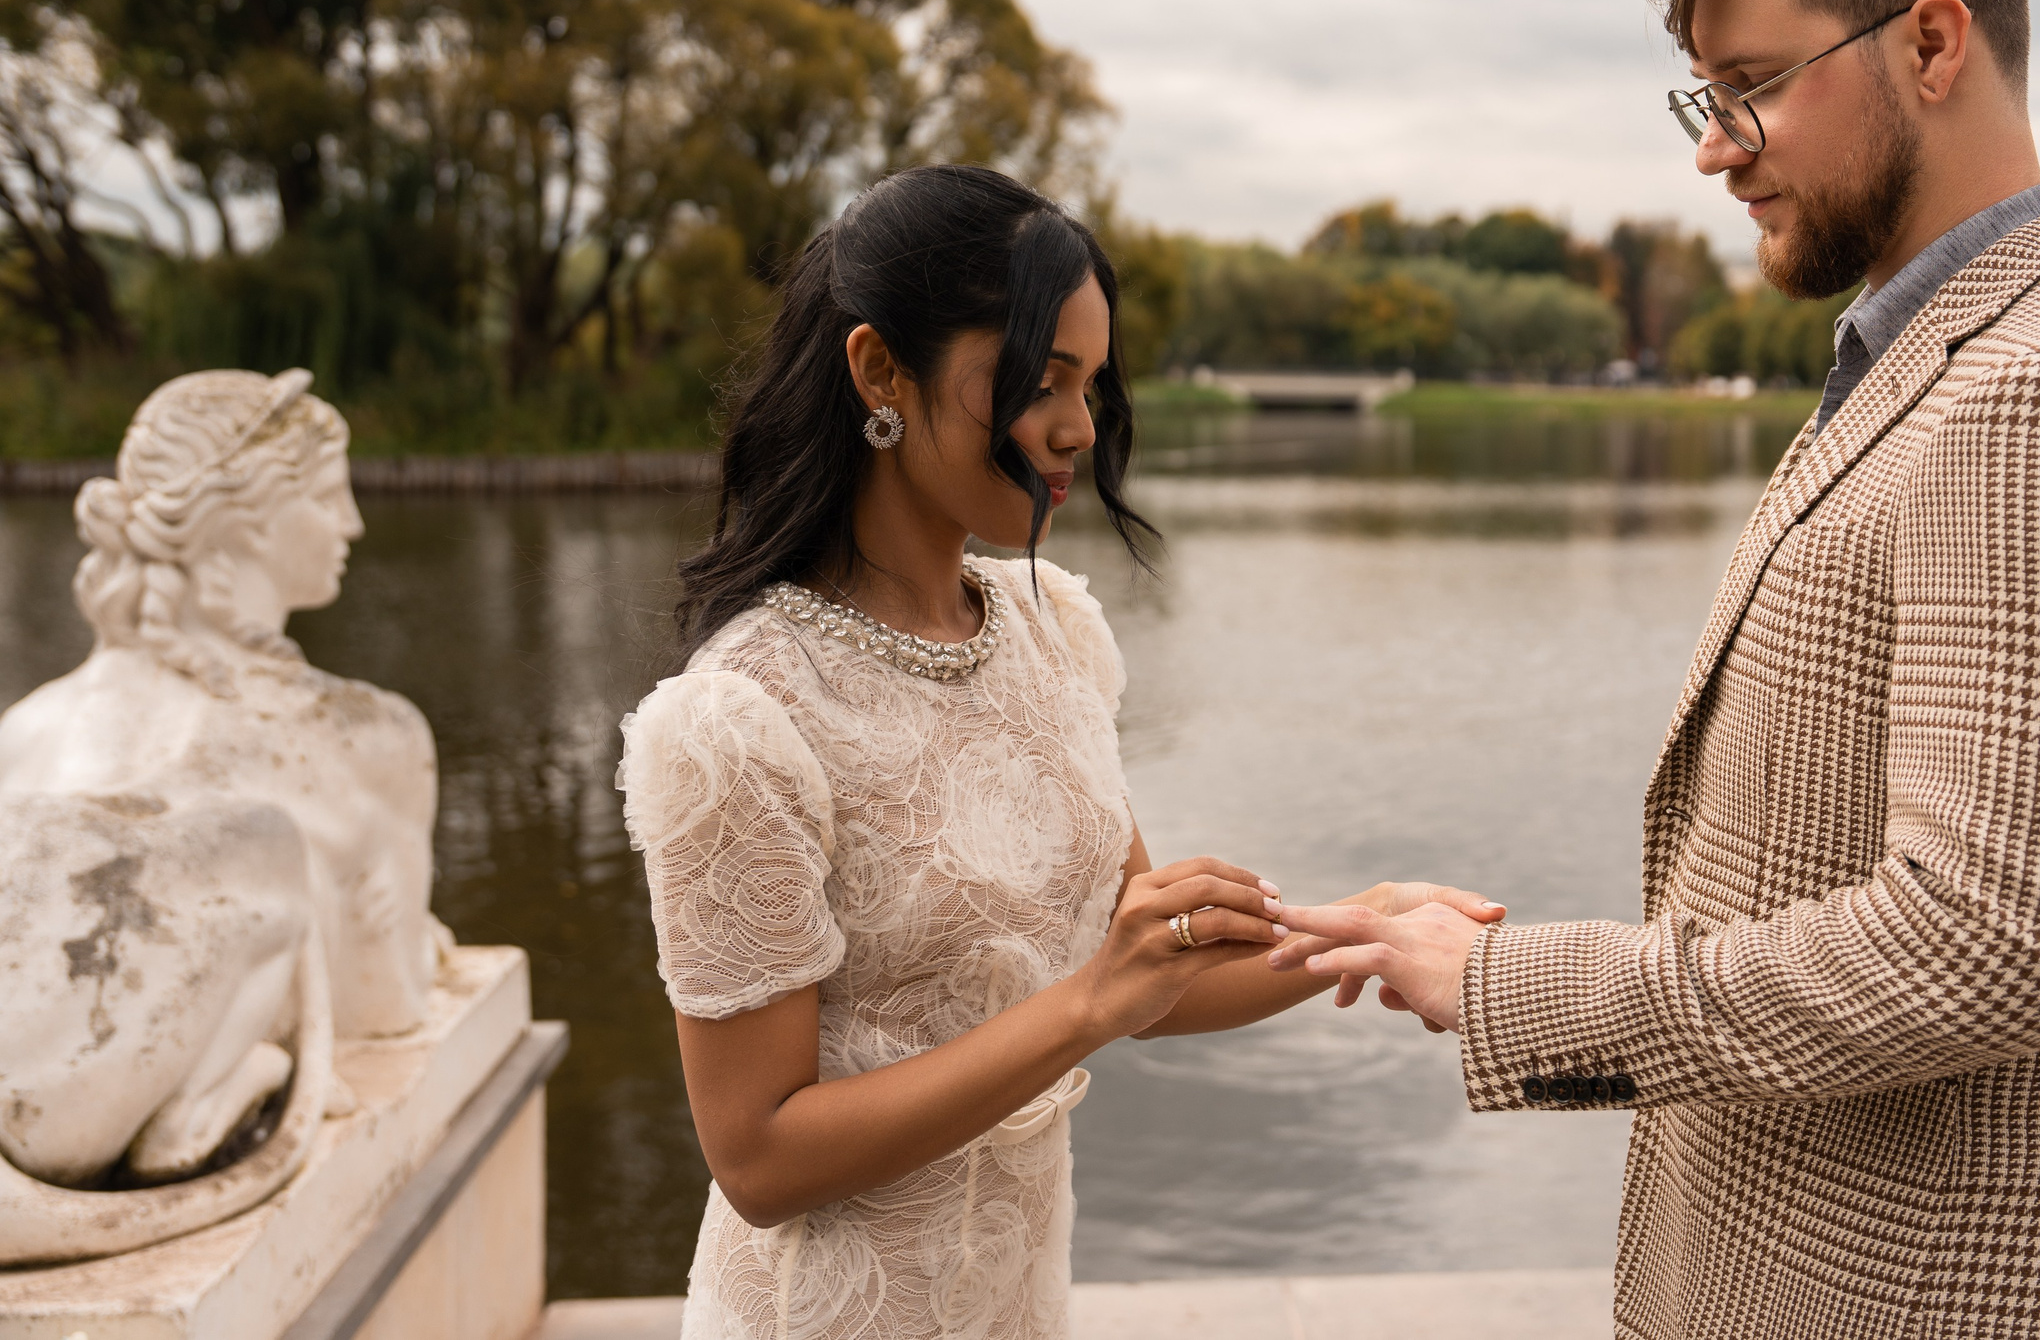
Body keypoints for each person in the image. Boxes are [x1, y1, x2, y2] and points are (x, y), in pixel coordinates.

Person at [1273, 0, 2040, 1339]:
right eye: (1703, 95)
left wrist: (1516, 983)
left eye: (1752, 84)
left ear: (1932, 41)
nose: (1715, 147)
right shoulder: (1952, 351)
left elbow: (1984, 944)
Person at [616, 164, 1498, 1340]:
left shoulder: (1048, 631)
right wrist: (1087, 1005)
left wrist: (1363, 923)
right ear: (880, 372)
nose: (1080, 427)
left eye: (1090, 382)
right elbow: (759, 1159)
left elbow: (1141, 970)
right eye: (1040, 382)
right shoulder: (738, 720)